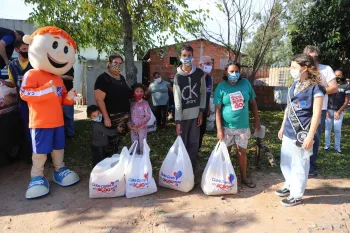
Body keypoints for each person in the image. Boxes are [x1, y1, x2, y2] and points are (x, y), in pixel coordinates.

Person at [21, 26, 80, 199]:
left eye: (66, 49)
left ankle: (59, 170)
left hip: (58, 122)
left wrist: (69, 97)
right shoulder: (32, 74)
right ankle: (37, 177)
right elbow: (25, 94)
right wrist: (46, 90)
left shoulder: (58, 78)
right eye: (55, 46)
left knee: (58, 148)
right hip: (40, 122)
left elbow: (62, 100)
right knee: (39, 152)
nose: (61, 54)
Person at [276, 54, 324, 207]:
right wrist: (283, 126)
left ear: (305, 68)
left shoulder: (316, 88)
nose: (292, 70)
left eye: (294, 67)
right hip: (289, 130)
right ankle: (289, 184)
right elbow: (289, 107)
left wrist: (310, 136)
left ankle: (296, 194)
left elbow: (317, 113)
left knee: (300, 164)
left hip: (303, 132)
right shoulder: (294, 85)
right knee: (286, 161)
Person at [214, 61, 261, 188]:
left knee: (242, 153)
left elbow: (253, 103)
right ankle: (223, 178)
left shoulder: (245, 84)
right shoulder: (221, 87)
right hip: (226, 128)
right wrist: (219, 129)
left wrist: (257, 121)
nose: (234, 74)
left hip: (243, 128)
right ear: (226, 72)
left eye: (236, 71)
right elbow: (217, 110)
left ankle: (244, 178)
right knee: (225, 153)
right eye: (231, 71)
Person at [303, 45, 337, 176]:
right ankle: (302, 164)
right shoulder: (303, 70)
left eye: (316, 57)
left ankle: (311, 167)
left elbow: (334, 88)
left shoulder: (326, 69)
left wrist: (316, 92)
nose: (314, 60)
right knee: (302, 136)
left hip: (320, 110)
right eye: (311, 57)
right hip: (303, 109)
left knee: (314, 137)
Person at [173, 45, 206, 172]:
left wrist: (201, 113)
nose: (187, 58)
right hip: (182, 117)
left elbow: (203, 93)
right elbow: (177, 101)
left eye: (189, 55)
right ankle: (182, 171)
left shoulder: (199, 73)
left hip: (196, 116)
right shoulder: (178, 77)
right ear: (180, 57)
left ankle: (191, 172)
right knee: (182, 145)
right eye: (184, 56)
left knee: (194, 145)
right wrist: (177, 121)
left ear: (193, 56)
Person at [94, 54, 131, 155]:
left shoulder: (121, 78)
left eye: (120, 63)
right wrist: (106, 117)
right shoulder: (103, 79)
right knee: (110, 144)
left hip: (124, 118)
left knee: (119, 144)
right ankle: (108, 164)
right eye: (115, 63)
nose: (118, 65)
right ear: (109, 64)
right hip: (112, 118)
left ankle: (118, 163)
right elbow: (99, 99)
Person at [2, 40, 33, 160]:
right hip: (23, 103)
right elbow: (13, 83)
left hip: (36, 102)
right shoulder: (12, 66)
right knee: (26, 128)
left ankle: (44, 154)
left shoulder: (35, 63)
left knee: (39, 128)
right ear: (17, 50)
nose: (26, 51)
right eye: (24, 49)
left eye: (28, 49)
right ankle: (29, 154)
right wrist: (5, 83)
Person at [324, 69, 350, 153]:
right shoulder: (329, 85)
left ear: (342, 76)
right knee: (327, 129)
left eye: (339, 75)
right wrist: (327, 111)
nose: (337, 77)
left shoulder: (346, 86)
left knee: (337, 129)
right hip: (329, 110)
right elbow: (325, 98)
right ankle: (327, 146)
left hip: (339, 111)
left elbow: (346, 101)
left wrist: (339, 112)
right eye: (335, 75)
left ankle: (337, 147)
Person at [128, 83, 151, 154]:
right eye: (137, 91)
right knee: (134, 143)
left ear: (144, 93)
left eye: (141, 91)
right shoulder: (131, 103)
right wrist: (130, 125)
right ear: (133, 92)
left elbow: (148, 116)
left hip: (142, 128)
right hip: (133, 128)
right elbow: (128, 115)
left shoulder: (145, 103)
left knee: (142, 143)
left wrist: (138, 124)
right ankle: (135, 159)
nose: (139, 93)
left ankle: (143, 159)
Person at [198, 56, 213, 151]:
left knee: (202, 131)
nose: (209, 65)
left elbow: (208, 95)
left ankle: (197, 150)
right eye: (207, 63)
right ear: (200, 65)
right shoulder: (196, 77)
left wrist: (207, 109)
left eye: (210, 63)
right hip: (195, 110)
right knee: (195, 132)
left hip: (204, 109)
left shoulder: (210, 79)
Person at [61, 67, 75, 139]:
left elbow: (70, 77)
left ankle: (70, 133)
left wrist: (58, 76)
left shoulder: (68, 65)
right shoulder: (51, 64)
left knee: (68, 115)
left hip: (68, 94)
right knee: (59, 116)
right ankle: (61, 133)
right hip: (57, 95)